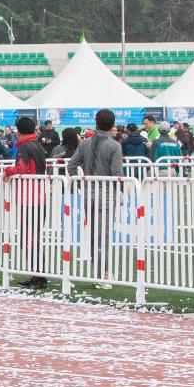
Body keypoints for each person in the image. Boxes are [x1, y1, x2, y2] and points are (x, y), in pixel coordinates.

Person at [68, 109, 123, 286]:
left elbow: (72, 165)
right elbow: (117, 174)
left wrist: (79, 184)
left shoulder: (85, 143)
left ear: (96, 122)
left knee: (93, 234)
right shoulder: (114, 146)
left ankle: (98, 272)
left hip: (88, 194)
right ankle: (103, 274)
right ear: (112, 125)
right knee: (103, 235)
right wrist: (120, 190)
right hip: (106, 196)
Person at [2, 116, 49, 288]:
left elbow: (21, 168)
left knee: (29, 239)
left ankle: (39, 277)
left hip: (29, 199)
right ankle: (38, 275)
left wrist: (8, 170)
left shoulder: (24, 147)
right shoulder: (38, 145)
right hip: (39, 197)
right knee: (33, 238)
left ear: (18, 130)